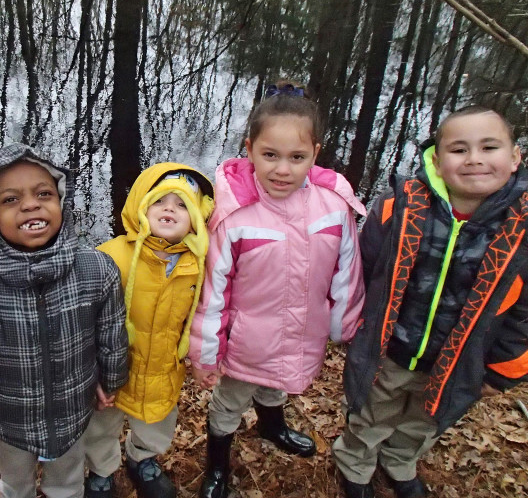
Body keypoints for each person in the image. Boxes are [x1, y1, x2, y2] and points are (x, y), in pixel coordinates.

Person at [333, 105, 528, 498]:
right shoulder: (399, 207)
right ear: (437, 161)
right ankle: (355, 464)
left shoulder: (521, 230)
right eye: (459, 149)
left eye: (489, 147)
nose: (474, 158)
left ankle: (400, 460)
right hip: (391, 349)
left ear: (514, 157)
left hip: (458, 360)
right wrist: (353, 326)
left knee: (425, 419)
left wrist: (504, 369)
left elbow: (525, 313)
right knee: (371, 411)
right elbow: (363, 270)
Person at [189, 82, 367, 498]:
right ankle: (218, 463)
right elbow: (214, 291)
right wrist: (207, 352)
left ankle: (273, 426)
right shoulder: (235, 216)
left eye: (297, 157)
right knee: (230, 403)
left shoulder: (334, 207)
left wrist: (343, 324)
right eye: (270, 155)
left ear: (315, 155)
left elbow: (347, 272)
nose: (282, 169)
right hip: (247, 342)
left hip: (302, 331)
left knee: (278, 383)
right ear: (249, 149)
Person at [0, 143, 129, 498]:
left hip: (73, 409)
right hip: (7, 420)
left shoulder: (96, 269)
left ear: (61, 202)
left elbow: (111, 332)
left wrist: (111, 379)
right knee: (16, 482)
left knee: (68, 480)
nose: (30, 204)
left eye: (43, 193)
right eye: (10, 200)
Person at [83, 163, 215, 498]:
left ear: (197, 219)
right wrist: (90, 367)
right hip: (113, 367)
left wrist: (203, 356)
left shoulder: (199, 265)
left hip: (162, 367)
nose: (170, 208)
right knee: (101, 426)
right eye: (160, 201)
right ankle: (101, 471)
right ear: (142, 205)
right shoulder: (111, 256)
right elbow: (86, 317)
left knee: (156, 420)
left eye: (183, 204)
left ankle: (142, 458)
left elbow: (206, 315)